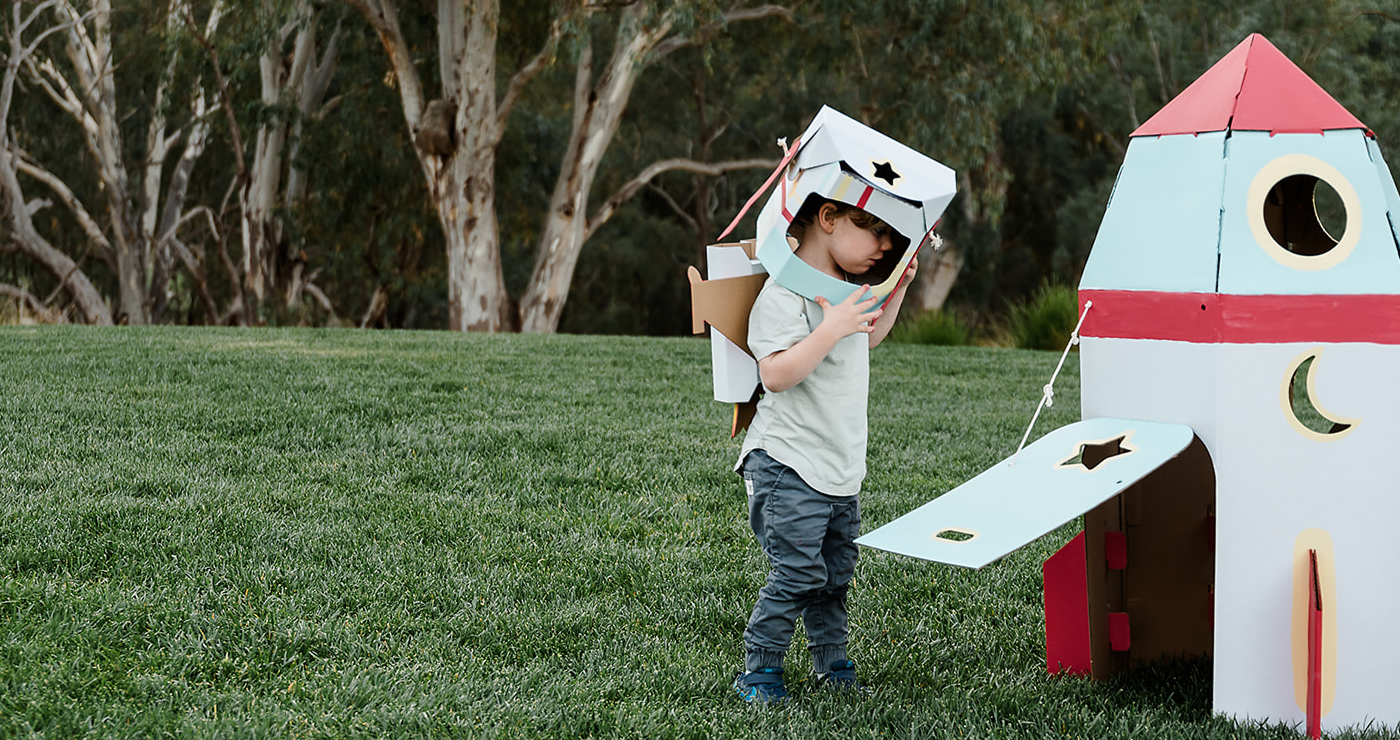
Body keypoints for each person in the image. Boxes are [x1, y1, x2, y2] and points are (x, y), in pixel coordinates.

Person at [733, 196, 918, 704]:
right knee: (797, 572)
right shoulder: (785, 294)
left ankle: (830, 660)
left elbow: (870, 335)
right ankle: (760, 669)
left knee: (834, 576)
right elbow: (774, 373)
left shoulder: (849, 292)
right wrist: (831, 326)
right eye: (873, 230)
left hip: (838, 467)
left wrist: (896, 288)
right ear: (829, 219)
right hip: (787, 463)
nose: (884, 246)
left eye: (890, 237)